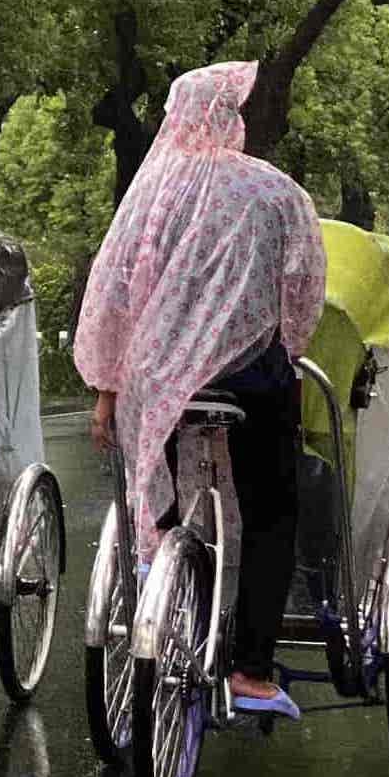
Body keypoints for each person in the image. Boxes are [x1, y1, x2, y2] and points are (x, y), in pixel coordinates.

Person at [75, 62, 325, 719]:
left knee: (164, 495)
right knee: (273, 509)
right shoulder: (276, 191)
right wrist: (289, 346)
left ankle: (164, 572)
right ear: (231, 116)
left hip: (158, 382)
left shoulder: (153, 191)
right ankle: (250, 670)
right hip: (250, 377)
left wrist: (107, 385)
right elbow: (302, 288)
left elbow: (114, 289)